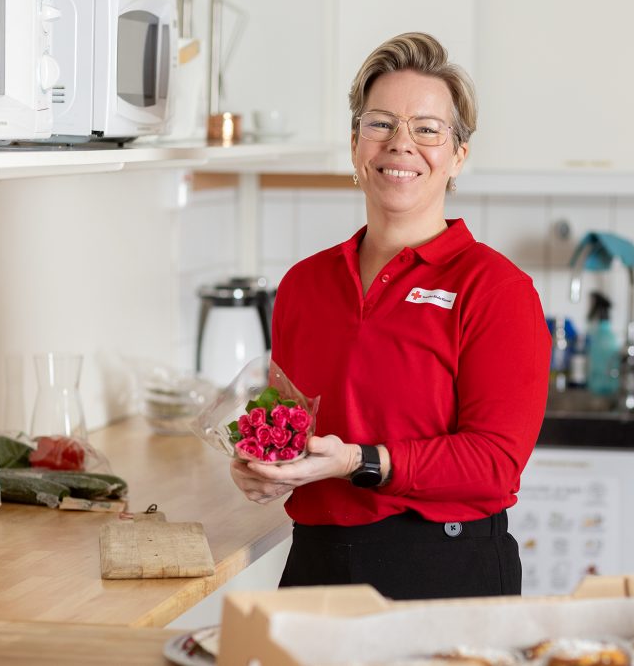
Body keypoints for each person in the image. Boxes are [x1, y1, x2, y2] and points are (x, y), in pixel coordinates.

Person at [230, 32, 550, 600]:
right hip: (317, 562)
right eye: (381, 123)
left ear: (458, 155)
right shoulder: (304, 284)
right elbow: (290, 421)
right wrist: (262, 466)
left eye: (427, 129)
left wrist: (356, 461)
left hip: (447, 568)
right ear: (356, 142)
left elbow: (495, 462)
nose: (401, 144)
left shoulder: (496, 289)